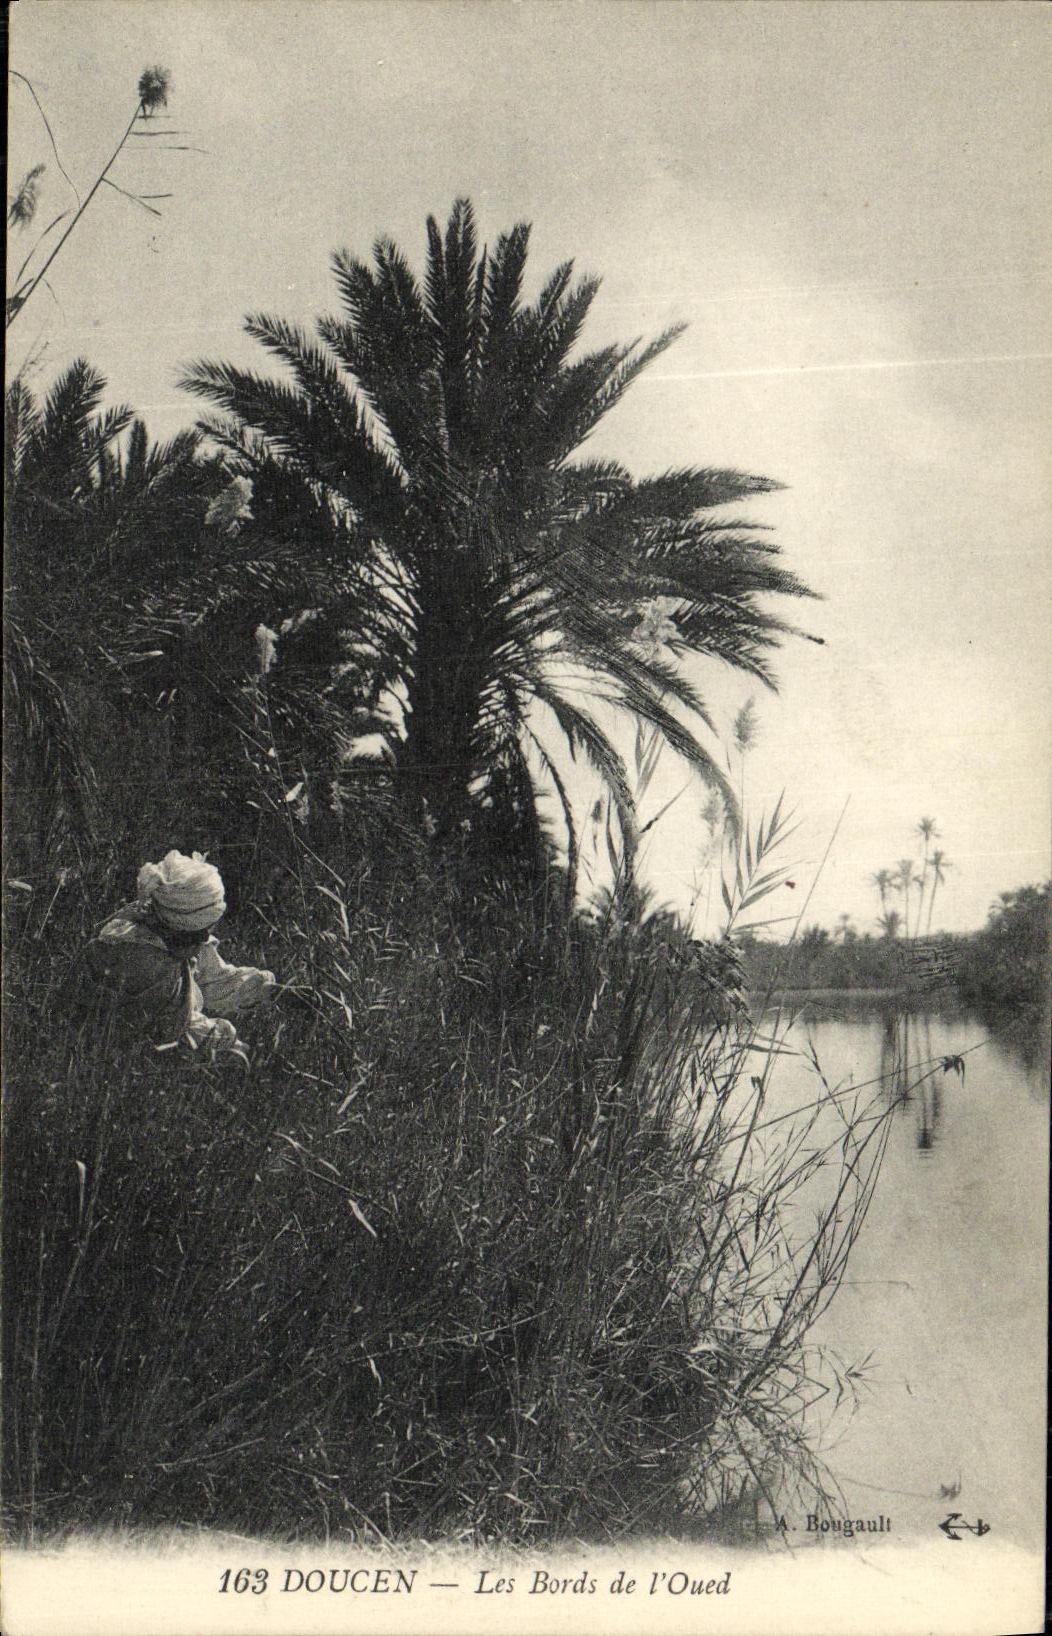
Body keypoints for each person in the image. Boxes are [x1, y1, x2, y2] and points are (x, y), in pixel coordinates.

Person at [86, 850, 275, 1058]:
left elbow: (214, 979)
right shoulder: (143, 959)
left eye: (207, 930)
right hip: (123, 1057)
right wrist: (240, 1048)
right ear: (175, 925)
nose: (204, 938)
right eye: (198, 933)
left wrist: (271, 990)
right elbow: (183, 1031)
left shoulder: (177, 934)